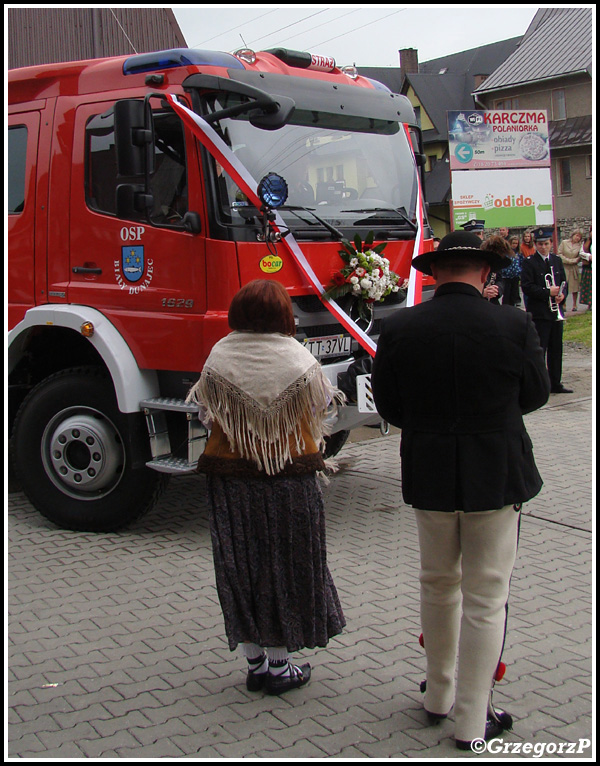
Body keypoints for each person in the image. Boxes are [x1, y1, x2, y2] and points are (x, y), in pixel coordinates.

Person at [371, 231, 550, 750]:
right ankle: (473, 720)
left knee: (437, 583)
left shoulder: (399, 326)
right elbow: (535, 395)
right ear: (484, 272)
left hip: (428, 470)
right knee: (486, 597)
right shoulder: (513, 323)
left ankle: (438, 696)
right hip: (495, 471)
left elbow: (389, 407)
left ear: (435, 273)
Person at [186, 279, 346, 695]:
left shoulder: (219, 356)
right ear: (283, 315)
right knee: (287, 565)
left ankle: (256, 664)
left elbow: (205, 414)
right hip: (289, 479)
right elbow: (319, 410)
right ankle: (281, 668)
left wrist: (243, 425)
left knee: (241, 567)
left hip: (230, 480)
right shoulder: (297, 358)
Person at [520, 226, 572, 394]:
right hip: (540, 312)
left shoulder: (556, 260)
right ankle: (539, 385)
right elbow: (527, 287)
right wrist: (547, 292)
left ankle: (555, 383)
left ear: (551, 244)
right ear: (535, 244)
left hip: (556, 312)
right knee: (540, 349)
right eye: (540, 244)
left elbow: (564, 282)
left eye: (546, 243)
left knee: (556, 349)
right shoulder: (529, 263)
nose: (543, 247)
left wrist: (562, 295)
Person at [558, 228, 583, 312]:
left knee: (574, 286)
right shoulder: (564, 243)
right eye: (576, 235)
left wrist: (575, 261)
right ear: (573, 235)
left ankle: (574, 305)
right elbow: (559, 253)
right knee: (564, 285)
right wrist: (568, 260)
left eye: (579, 236)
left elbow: (581, 255)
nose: (577, 238)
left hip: (574, 267)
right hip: (564, 266)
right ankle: (563, 304)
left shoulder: (580, 245)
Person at [501, 234, 522, 306]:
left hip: (515, 276)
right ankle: (505, 307)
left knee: (514, 293)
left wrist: (519, 270)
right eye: (513, 243)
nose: (515, 245)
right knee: (507, 293)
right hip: (506, 276)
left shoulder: (518, 253)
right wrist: (505, 271)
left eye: (516, 243)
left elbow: (521, 262)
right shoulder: (506, 252)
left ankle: (513, 307)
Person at [579, 227, 592, 310]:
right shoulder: (586, 242)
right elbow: (581, 253)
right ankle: (590, 304)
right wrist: (589, 256)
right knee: (590, 287)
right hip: (589, 268)